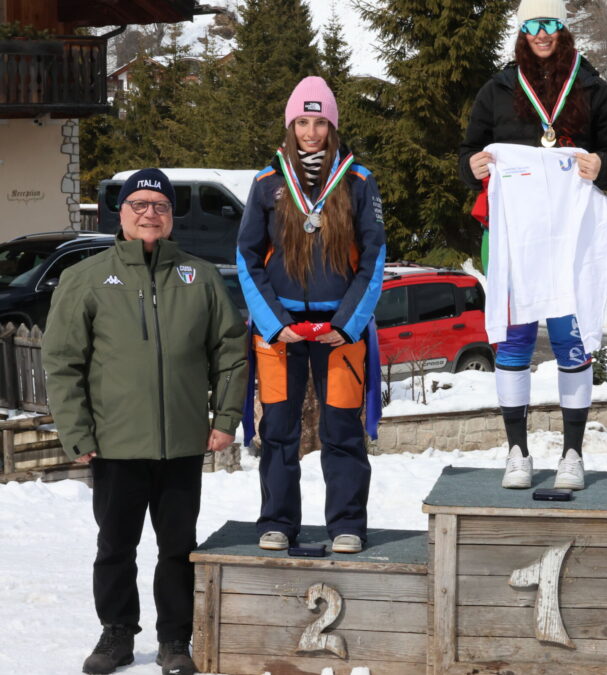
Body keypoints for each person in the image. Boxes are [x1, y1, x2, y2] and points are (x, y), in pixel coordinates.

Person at [42, 169, 247, 675]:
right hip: (114, 442)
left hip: (181, 441)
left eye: (159, 206)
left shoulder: (199, 277)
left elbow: (230, 353)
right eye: (139, 204)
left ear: (171, 217)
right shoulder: (86, 278)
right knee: (115, 547)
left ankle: (176, 639)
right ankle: (117, 634)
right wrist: (76, 431)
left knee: (178, 547)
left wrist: (225, 418)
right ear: (122, 214)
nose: (149, 213)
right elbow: (63, 360)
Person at [459, 0, 607, 491]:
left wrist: (603, 167)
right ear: (521, 31)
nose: (541, 33)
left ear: (564, 29)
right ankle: (517, 451)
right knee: (513, 342)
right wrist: (472, 167)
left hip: (569, 240)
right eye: (531, 24)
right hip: (515, 235)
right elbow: (468, 151)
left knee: (570, 341)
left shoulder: (593, 87)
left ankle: (572, 454)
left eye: (550, 23)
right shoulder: (497, 88)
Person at [237, 76, 386, 555]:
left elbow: (374, 259)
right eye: (303, 121)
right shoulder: (266, 183)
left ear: (332, 126)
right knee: (278, 431)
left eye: (320, 122)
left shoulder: (359, 182)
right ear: (290, 124)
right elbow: (245, 255)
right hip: (280, 332)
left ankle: (347, 524)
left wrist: (347, 324)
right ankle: (277, 522)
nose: (311, 131)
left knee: (341, 431)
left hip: (340, 333)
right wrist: (272, 321)